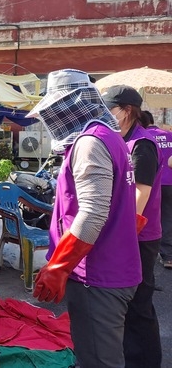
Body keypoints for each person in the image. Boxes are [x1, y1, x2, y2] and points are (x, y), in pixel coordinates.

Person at [29, 69, 141, 368]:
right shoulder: (110, 137)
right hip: (111, 266)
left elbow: (93, 213)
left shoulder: (91, 142)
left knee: (98, 360)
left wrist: (58, 266)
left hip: (97, 274)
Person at [102, 85, 163, 368]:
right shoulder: (120, 140)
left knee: (139, 303)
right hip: (127, 233)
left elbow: (141, 193)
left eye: (110, 111)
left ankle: (147, 361)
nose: (106, 116)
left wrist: (121, 232)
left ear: (127, 111)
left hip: (139, 235)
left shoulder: (143, 144)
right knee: (124, 302)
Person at [141, 110, 172, 269]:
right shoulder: (168, 134)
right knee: (168, 216)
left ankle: (149, 253)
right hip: (170, 182)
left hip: (150, 183)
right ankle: (168, 255)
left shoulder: (143, 137)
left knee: (149, 217)